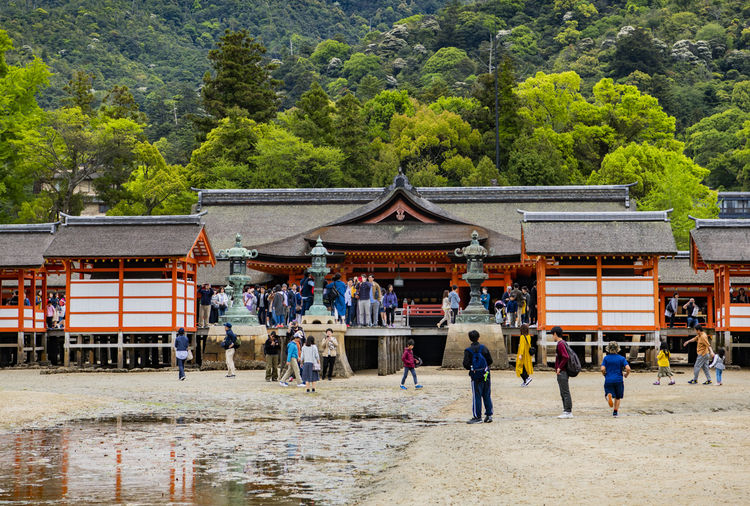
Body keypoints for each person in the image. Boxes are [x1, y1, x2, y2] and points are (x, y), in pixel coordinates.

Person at [463, 330, 493, 424]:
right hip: (486, 374)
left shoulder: (468, 350)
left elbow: (465, 364)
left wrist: (473, 367)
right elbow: (490, 361)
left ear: (470, 338)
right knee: (486, 394)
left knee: (477, 396)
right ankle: (489, 415)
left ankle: (477, 416)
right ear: (478, 337)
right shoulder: (484, 348)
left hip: (475, 376)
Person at [601, 341, 631, 417]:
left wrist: (604, 374)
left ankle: (609, 396)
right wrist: (626, 375)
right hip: (619, 380)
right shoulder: (622, 358)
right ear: (618, 349)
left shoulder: (606, 358)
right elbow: (628, 368)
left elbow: (602, 369)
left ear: (608, 349)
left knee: (608, 393)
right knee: (618, 397)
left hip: (609, 379)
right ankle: (615, 412)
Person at [553, 326, 573, 418]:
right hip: (563, 371)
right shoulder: (563, 343)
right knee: (563, 391)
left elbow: (565, 357)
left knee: (564, 391)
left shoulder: (560, 344)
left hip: (563, 371)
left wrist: (559, 368)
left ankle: (568, 411)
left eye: (553, 335)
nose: (553, 337)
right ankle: (566, 410)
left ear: (555, 334)